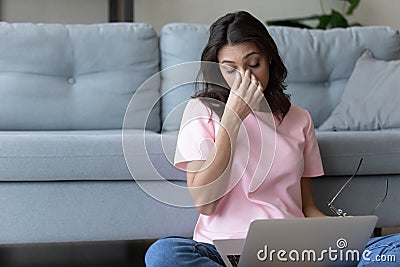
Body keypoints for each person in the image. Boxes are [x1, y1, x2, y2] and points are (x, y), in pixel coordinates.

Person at [145, 11, 400, 267]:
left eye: (253, 64)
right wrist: (232, 119)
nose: (245, 79)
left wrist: (346, 235)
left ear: (269, 60)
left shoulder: (299, 119)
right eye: (230, 70)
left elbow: (307, 208)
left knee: (394, 248)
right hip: (224, 252)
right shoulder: (201, 111)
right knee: (163, 254)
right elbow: (206, 204)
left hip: (294, 251)